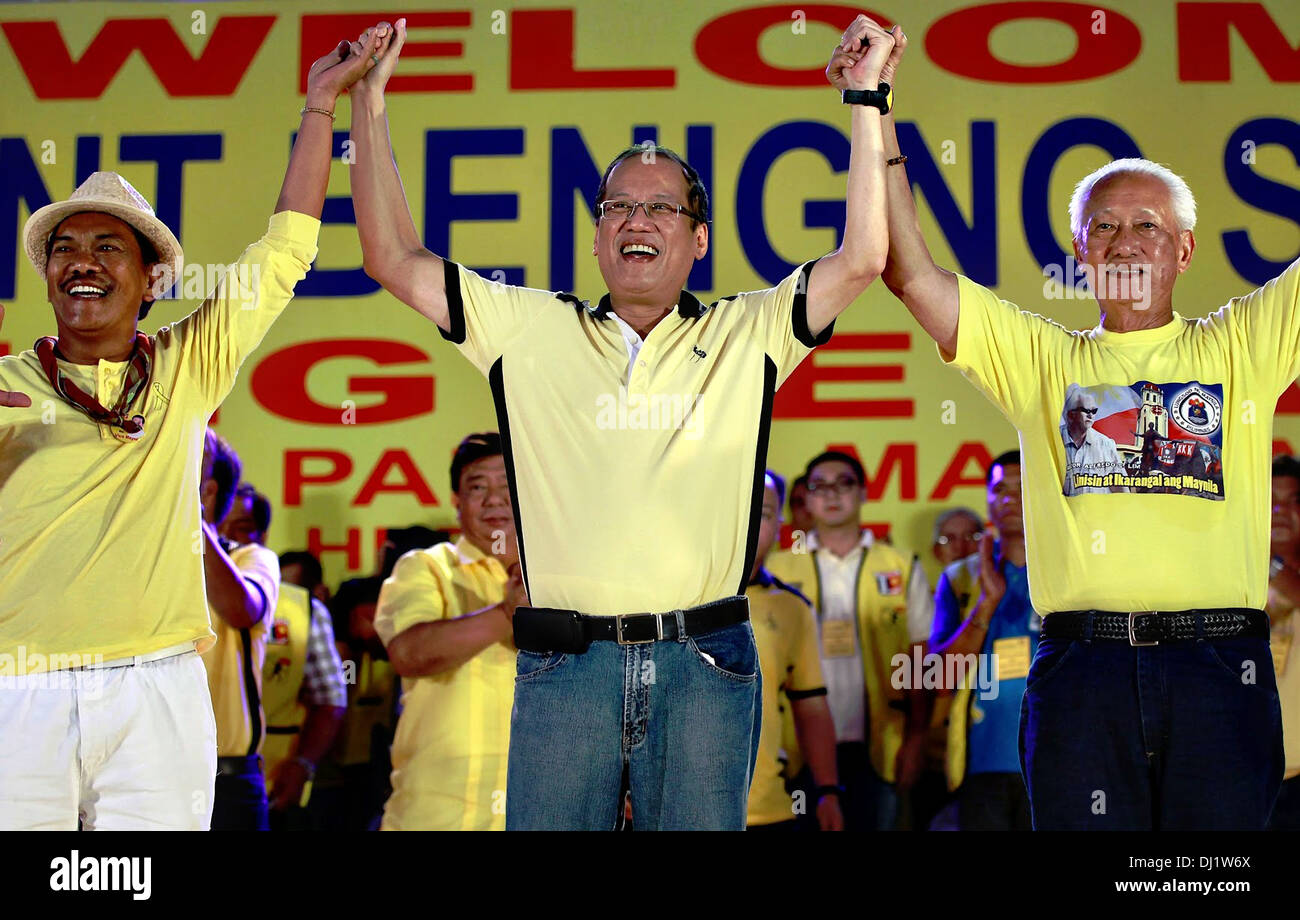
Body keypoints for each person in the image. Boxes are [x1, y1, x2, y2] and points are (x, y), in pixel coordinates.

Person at [350, 15, 896, 830]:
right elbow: (392, 258)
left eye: (662, 209)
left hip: (705, 661)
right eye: (618, 208)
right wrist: (369, 101)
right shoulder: (527, 327)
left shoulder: (750, 331)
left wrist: (866, 99)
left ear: (699, 237)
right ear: (599, 235)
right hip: (567, 665)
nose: (637, 221)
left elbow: (862, 257)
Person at [869, 13, 1288, 828]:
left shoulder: (1246, 343)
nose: (1126, 242)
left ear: (1185, 250)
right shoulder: (1041, 359)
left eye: (1147, 226)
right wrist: (872, 99)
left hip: (1220, 669)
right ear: (1079, 248)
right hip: (1082, 675)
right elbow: (907, 267)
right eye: (1105, 226)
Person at [0, 34, 379, 830]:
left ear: (149, 279)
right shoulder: (8, 385)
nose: (83, 262)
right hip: (16, 688)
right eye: (64, 248)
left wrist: (320, 107)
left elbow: (285, 250)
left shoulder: (186, 364)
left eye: (108, 247)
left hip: (157, 692)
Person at [767, 451, 927, 830]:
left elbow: (919, 656)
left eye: (844, 483)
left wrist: (917, 738)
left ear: (864, 492)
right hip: (796, 746)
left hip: (880, 742)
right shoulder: (778, 567)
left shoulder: (900, 564)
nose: (832, 494)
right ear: (805, 499)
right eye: (819, 486)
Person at [373, 433, 526, 830]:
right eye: (478, 487)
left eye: (508, 486)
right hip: (434, 816)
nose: (494, 499)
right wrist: (506, 612)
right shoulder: (426, 568)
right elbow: (409, 654)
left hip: (538, 813)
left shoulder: (559, 579)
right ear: (457, 502)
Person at [930, 451, 1037, 830]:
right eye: (999, 489)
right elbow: (940, 678)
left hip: (1056, 758)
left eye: (1021, 488)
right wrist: (986, 605)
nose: (1009, 498)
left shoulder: (1067, 574)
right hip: (982, 761)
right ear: (988, 498)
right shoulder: (960, 577)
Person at [745, 472, 842, 831]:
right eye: (742, 508)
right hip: (681, 808)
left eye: (765, 513)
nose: (750, 522)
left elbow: (811, 706)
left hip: (771, 808)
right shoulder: (677, 600)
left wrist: (828, 792)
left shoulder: (792, 607)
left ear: (780, 523)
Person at [198, 431, 281, 831]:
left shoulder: (252, 558)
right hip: (142, 772)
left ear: (208, 491)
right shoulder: (145, 557)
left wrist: (189, 518)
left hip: (227, 781)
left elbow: (241, 609)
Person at [1265, 455, 1300, 830]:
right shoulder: (1228, 581)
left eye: (1293, 501)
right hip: (1240, 773)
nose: (1279, 511)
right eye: (1270, 499)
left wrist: (1270, 563)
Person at [1061, 385, 1127, 495]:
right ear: (1071, 415)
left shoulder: (1106, 445)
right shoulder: (1054, 441)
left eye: (1094, 411)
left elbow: (1122, 492)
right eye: (1086, 410)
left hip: (1099, 511)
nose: (1091, 415)